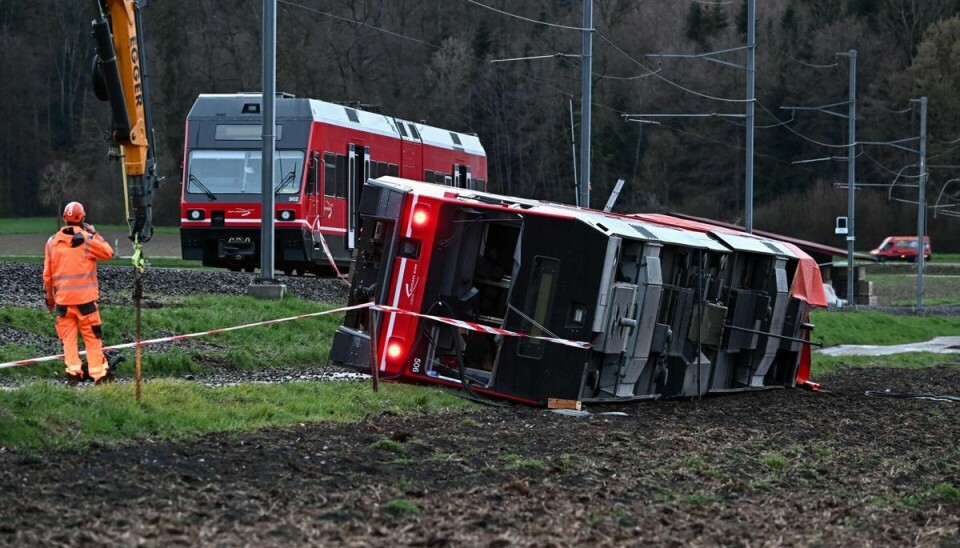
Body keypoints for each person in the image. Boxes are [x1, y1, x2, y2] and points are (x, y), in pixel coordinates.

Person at [43, 201, 117, 386]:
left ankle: (73, 374)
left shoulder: (52, 243)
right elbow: (108, 253)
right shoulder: (87, 239)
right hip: (86, 303)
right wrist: (94, 233)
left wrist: (50, 300)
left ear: (63, 219)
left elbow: (47, 276)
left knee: (68, 340)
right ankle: (99, 376)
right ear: (83, 218)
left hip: (63, 303)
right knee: (92, 338)